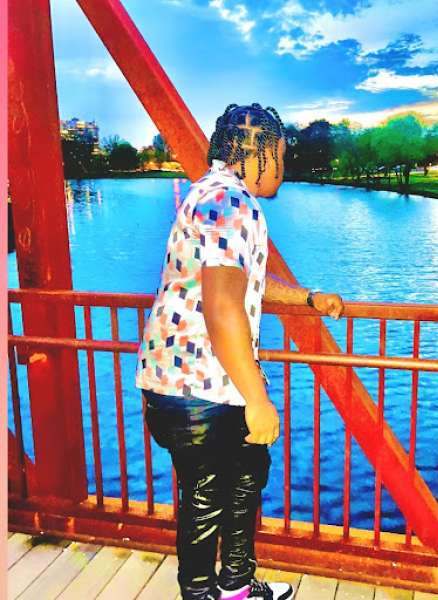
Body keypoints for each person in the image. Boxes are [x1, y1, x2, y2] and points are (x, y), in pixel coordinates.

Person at [135, 102, 344, 600]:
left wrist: (307, 299)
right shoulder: (230, 202)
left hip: (192, 381)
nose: (283, 167)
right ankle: (201, 593)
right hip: (199, 387)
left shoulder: (213, 193)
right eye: (281, 156)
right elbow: (223, 306)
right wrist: (258, 400)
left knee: (245, 480)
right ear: (257, 153)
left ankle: (235, 586)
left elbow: (242, 280)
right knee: (207, 501)